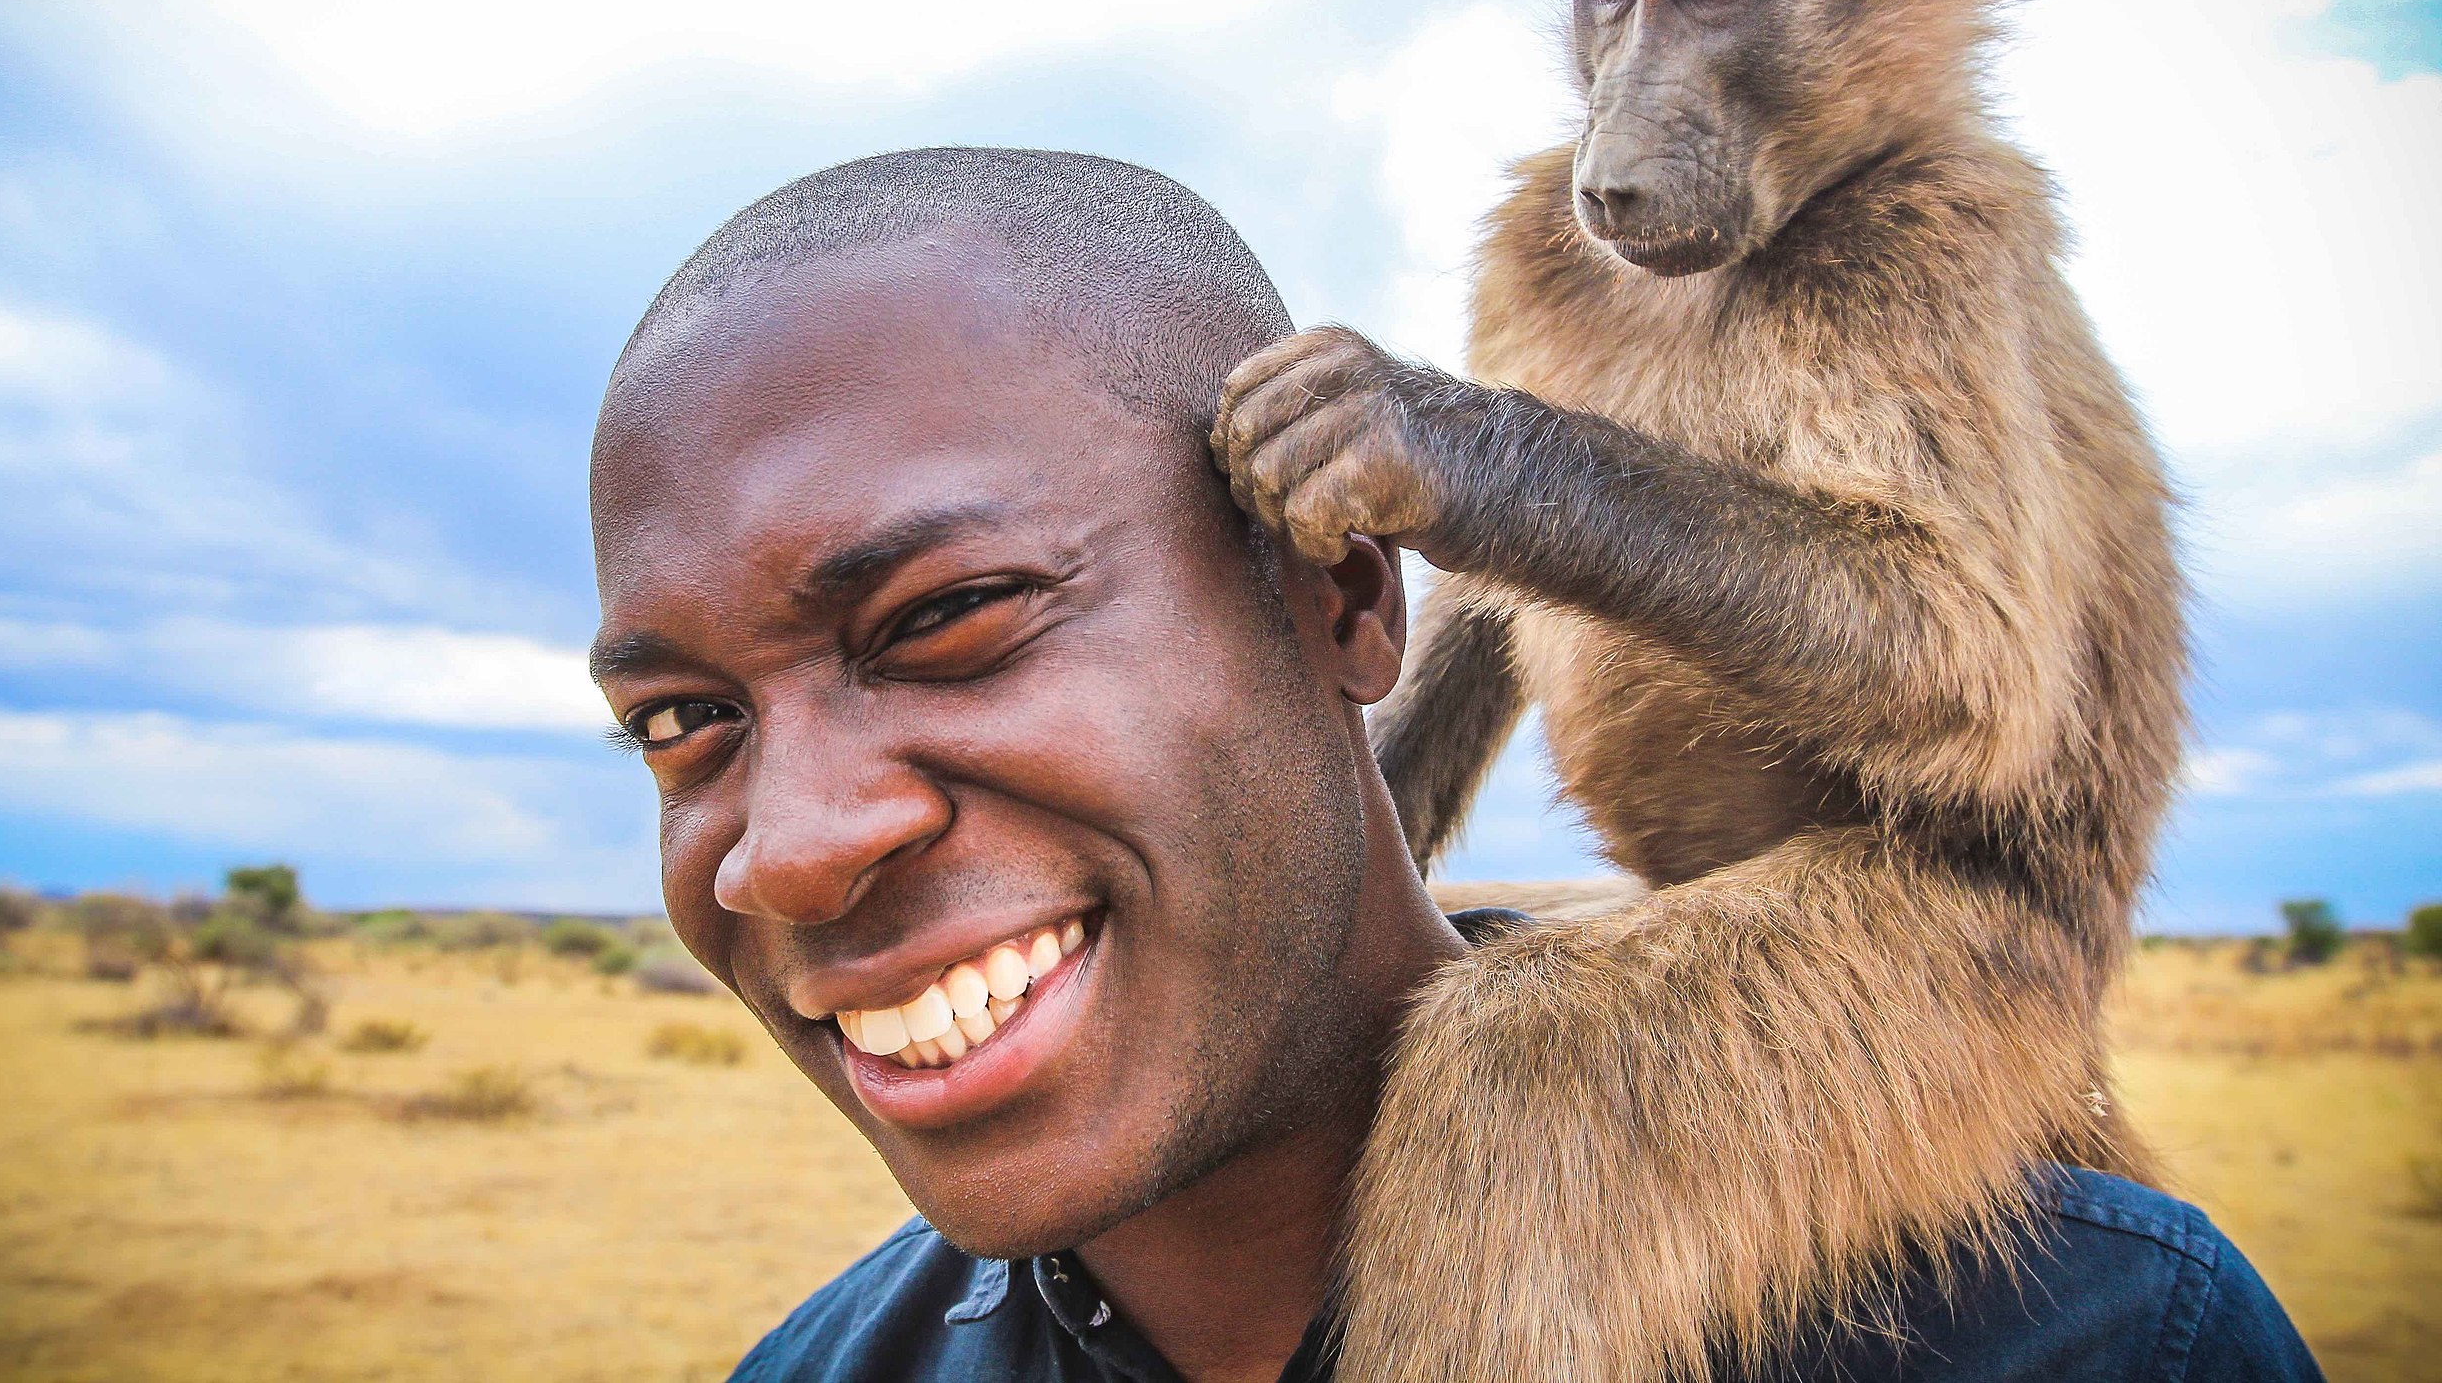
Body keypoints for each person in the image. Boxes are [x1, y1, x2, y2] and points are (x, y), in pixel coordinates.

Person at [587, 148, 2321, 1383]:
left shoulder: (2089, 1339)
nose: (792, 853)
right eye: (683, 722)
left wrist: (1469, 463)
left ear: (1342, 600)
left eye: (952, 613)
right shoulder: (825, 1366)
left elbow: (1965, 677)